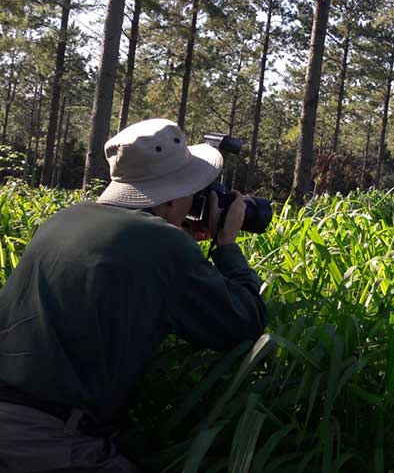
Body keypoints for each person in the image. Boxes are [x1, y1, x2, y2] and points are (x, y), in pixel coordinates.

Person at [0, 118, 268, 472]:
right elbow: (243, 323)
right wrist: (226, 245)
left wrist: (176, 237)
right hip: (50, 441)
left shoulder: (64, 219)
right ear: (173, 197)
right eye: (193, 189)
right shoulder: (159, 243)